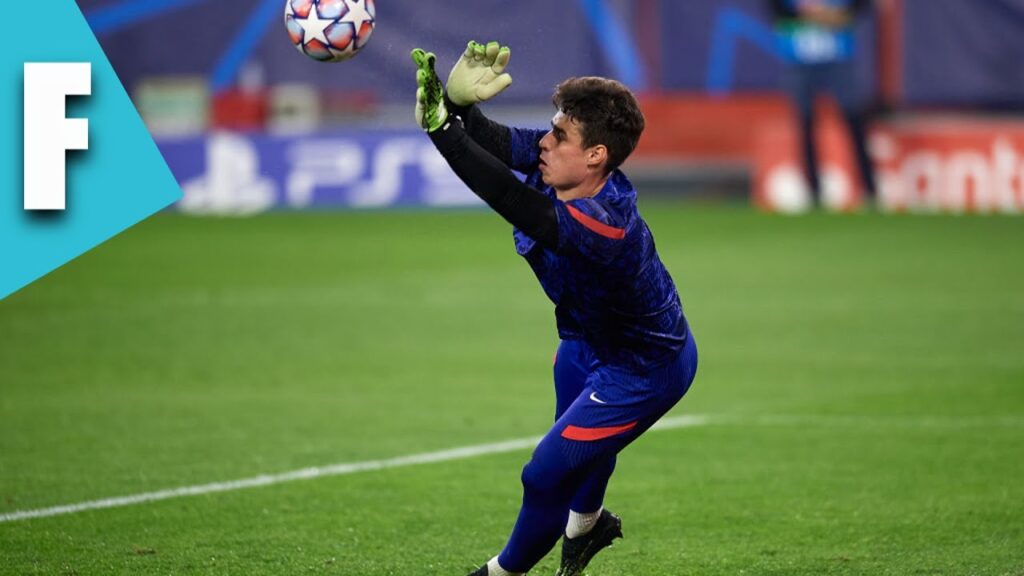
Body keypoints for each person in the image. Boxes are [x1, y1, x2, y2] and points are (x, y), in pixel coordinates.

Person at [410, 41, 699, 576]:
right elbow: (498, 145)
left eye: (559, 135)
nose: (544, 141)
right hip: (585, 344)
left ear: (596, 156)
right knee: (579, 453)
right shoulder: (560, 167)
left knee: (544, 474)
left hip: (644, 369)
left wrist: (442, 132)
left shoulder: (608, 223)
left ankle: (501, 573)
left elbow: (515, 203)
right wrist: (459, 107)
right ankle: (588, 528)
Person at [770, 0, 878, 208]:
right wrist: (818, 15)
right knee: (805, 125)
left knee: (853, 122)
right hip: (800, 58)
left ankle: (870, 189)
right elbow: (777, 13)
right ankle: (813, 192)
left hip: (838, 57)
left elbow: (858, 9)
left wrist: (829, 16)